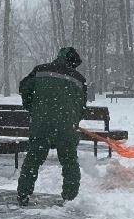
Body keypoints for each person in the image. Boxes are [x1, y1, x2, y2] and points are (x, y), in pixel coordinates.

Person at [16, 47, 89, 206]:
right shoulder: (79, 79)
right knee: (69, 161)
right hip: (66, 128)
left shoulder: (40, 70)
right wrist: (72, 120)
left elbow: (24, 88)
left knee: (33, 160)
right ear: (73, 63)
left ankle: (23, 193)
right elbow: (82, 107)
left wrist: (34, 109)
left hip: (41, 125)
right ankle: (70, 197)